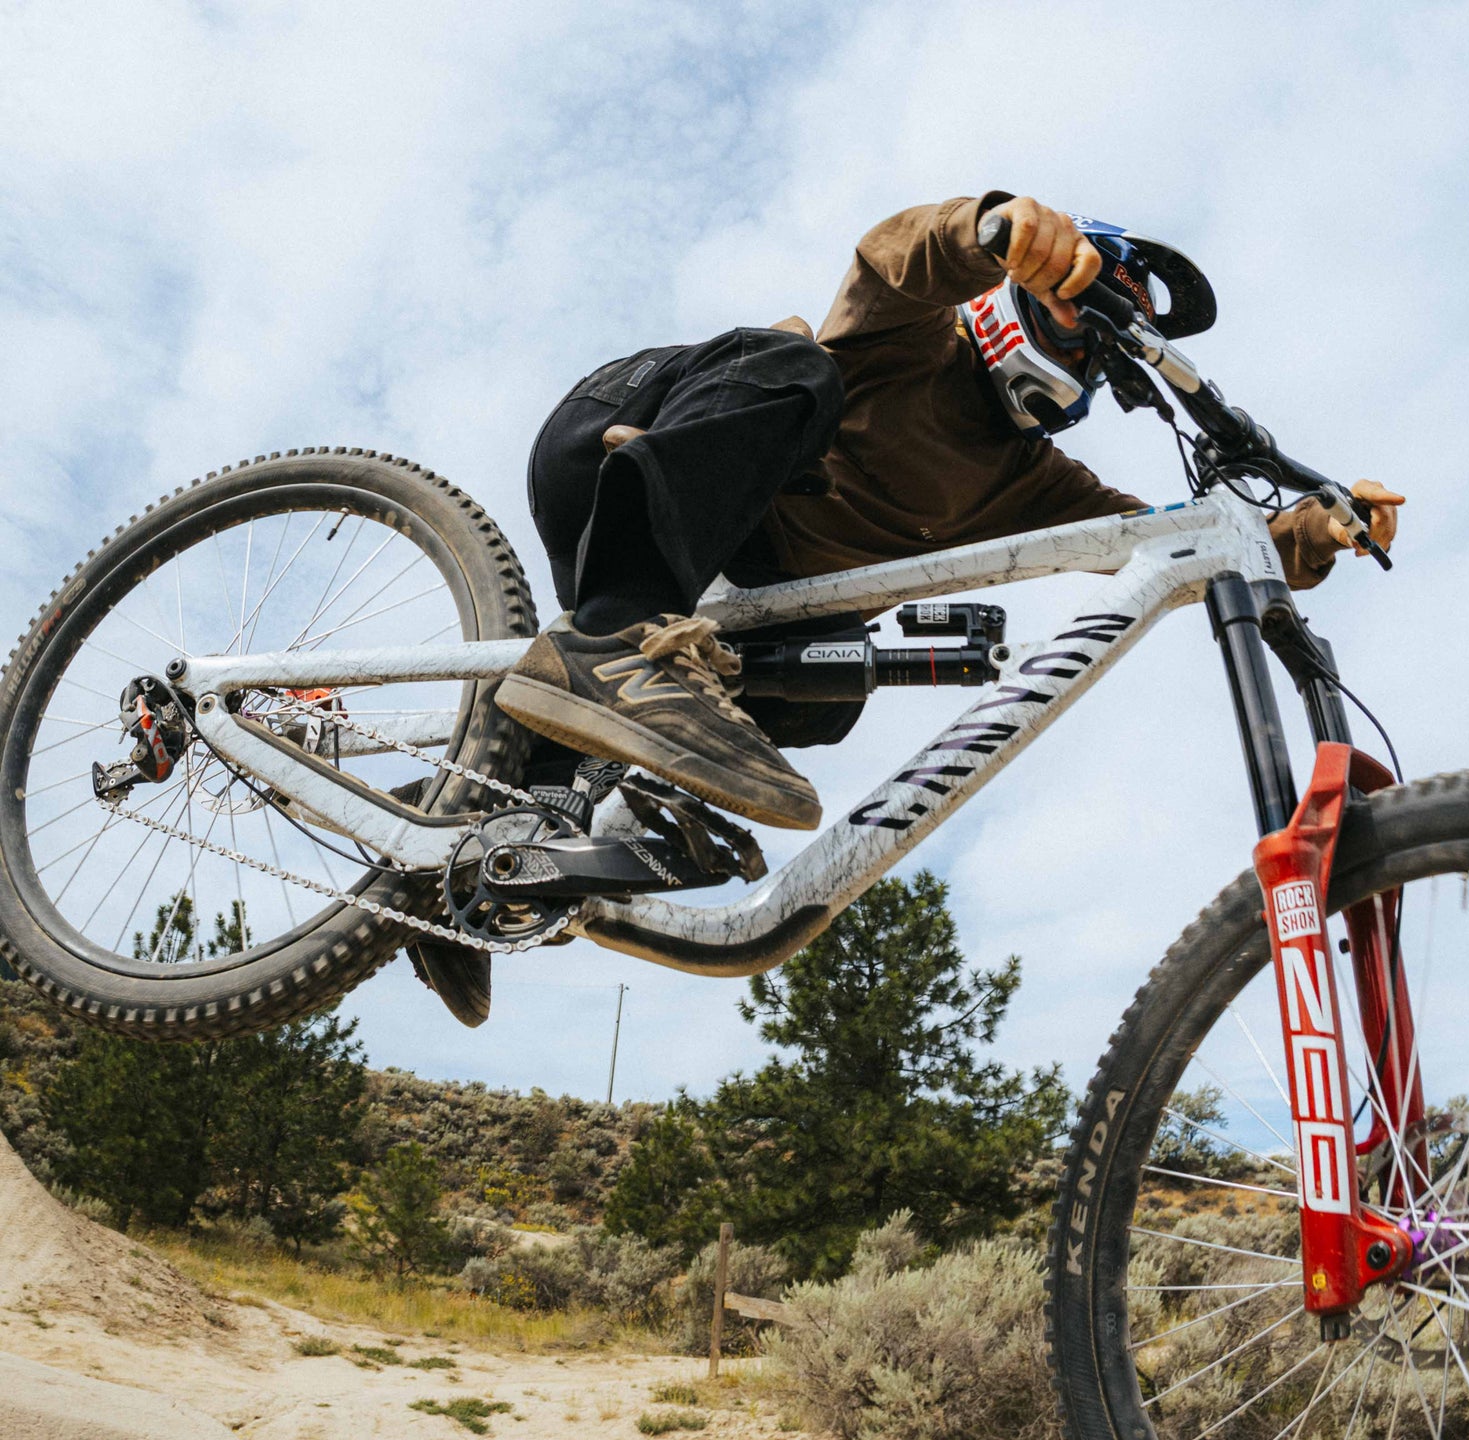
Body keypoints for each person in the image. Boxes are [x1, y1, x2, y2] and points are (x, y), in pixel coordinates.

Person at [411, 194, 1402, 1023]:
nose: (1089, 352)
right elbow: (895, 261)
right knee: (800, 363)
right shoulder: (917, 336)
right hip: (628, 449)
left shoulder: (1032, 478)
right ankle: (611, 636)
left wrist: (1311, 536)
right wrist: (995, 222)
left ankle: (499, 845)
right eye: (1079, 307)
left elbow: (1168, 537)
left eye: (1106, 350)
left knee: (830, 680)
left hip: (732, 592)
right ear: (1023, 290)